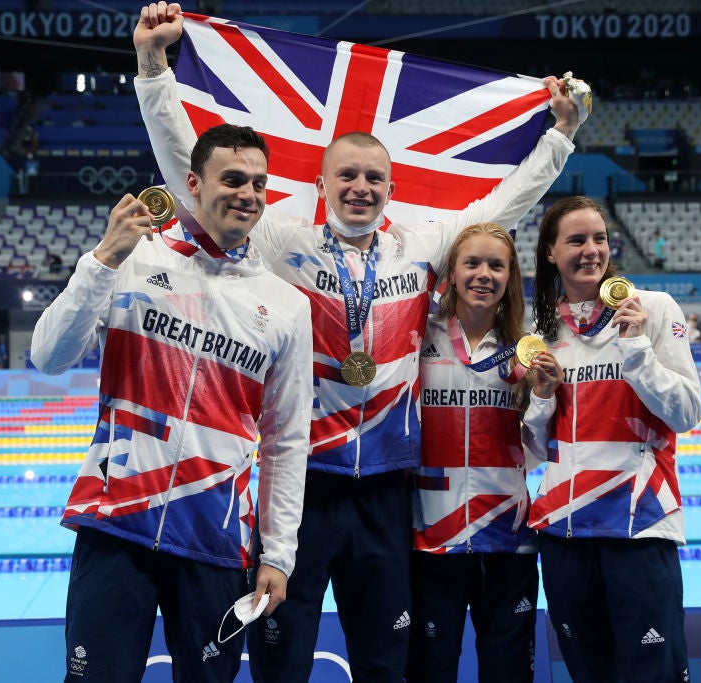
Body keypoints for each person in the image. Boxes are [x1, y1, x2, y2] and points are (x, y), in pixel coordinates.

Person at [133, 5, 582, 680]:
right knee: (281, 656)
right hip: (305, 487)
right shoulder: (286, 241)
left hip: (389, 494)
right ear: (321, 183)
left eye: (374, 178)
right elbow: (188, 177)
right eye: (347, 175)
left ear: (393, 190)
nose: (361, 187)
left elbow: (507, 205)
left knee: (384, 660)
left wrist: (561, 135)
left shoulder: (419, 247)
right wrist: (153, 70)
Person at [30, 123, 314, 683]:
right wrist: (103, 258)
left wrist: (278, 553)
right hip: (116, 524)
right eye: (233, 179)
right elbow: (49, 357)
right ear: (193, 183)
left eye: (259, 183)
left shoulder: (285, 306)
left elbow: (286, 438)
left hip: (214, 537)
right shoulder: (134, 261)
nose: (248, 194)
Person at [525, 196, 701, 683]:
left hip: (638, 524)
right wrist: (542, 397)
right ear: (549, 253)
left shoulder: (654, 309)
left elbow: (686, 413)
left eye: (599, 238)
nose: (591, 250)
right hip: (564, 531)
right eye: (576, 240)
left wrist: (637, 348)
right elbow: (533, 451)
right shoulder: (541, 331)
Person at [408, 222, 563, 683]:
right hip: (431, 537)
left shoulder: (526, 352)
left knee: (509, 673)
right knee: (429, 672)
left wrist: (542, 398)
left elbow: (536, 452)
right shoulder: (418, 340)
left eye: (496, 265)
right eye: (471, 263)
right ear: (451, 273)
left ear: (510, 276)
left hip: (508, 540)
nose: (484, 274)